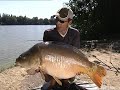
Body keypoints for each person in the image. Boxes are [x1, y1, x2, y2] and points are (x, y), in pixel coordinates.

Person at [41, 7, 84, 90]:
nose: (58, 23)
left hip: (68, 67)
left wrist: (79, 68)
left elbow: (76, 54)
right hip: (52, 66)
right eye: (56, 19)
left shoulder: (75, 33)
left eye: (61, 21)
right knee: (48, 84)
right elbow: (44, 55)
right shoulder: (48, 33)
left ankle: (66, 82)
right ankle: (53, 82)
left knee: (67, 84)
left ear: (70, 21)